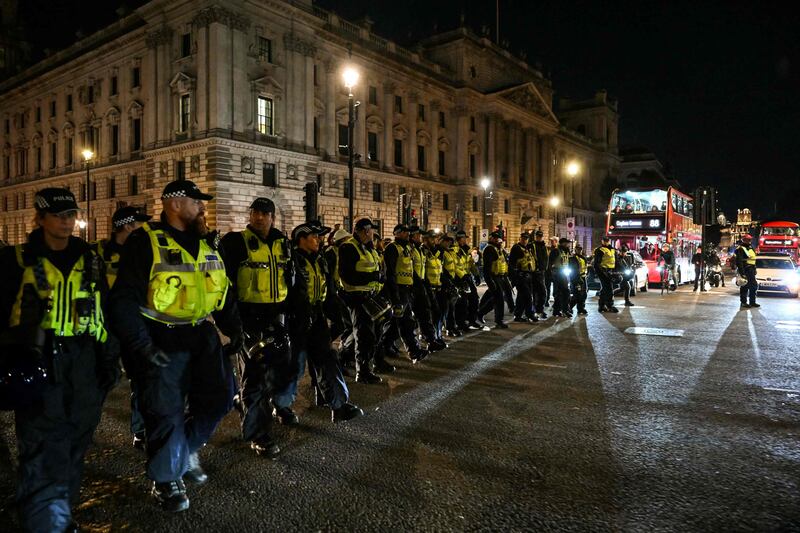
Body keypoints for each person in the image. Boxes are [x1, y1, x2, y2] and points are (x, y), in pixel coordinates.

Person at [108, 180, 242, 512]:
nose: (203, 208)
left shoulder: (209, 244)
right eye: (197, 202)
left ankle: (180, 451)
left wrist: (234, 330)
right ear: (176, 204)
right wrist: (141, 346)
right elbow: (123, 299)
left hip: (201, 334)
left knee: (220, 399)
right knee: (165, 411)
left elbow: (223, 292)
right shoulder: (145, 242)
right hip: (160, 335)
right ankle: (166, 480)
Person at [0, 188, 117, 531]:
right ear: (39, 218)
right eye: (59, 216)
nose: (67, 222)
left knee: (75, 446)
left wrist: (109, 359)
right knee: (42, 447)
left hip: (84, 361)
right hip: (38, 360)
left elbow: (105, 311)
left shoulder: (90, 258)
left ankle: (59, 514)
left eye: (71, 215)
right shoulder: (15, 261)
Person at [219, 197, 298, 460]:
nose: (260, 217)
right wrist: (233, 323)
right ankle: (258, 434)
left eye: (265, 213)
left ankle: (253, 403)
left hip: (276, 317)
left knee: (283, 371)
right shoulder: (235, 242)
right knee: (255, 378)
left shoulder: (282, 244)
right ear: (250, 215)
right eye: (256, 213)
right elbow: (225, 285)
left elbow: (289, 280)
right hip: (248, 317)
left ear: (273, 217)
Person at [286, 220, 364, 422]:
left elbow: (328, 292)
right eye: (314, 236)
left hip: (317, 317)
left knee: (328, 359)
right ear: (301, 239)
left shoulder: (320, 260)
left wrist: (337, 316)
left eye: (320, 236)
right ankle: (281, 406)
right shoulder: (291, 262)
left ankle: (338, 405)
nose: (319, 240)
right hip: (295, 321)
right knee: (293, 367)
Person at [95, 205, 153, 450]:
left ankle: (140, 429)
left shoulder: (142, 252)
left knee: (141, 379)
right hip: (105, 327)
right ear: (128, 225)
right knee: (99, 380)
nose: (143, 227)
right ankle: (86, 424)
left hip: (133, 324)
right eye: (139, 223)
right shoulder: (98, 253)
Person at [338, 217, 385, 384]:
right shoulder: (348, 247)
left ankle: (346, 358)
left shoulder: (368, 248)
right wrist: (372, 276)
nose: (373, 233)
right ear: (366, 230)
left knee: (372, 333)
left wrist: (379, 277)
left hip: (371, 296)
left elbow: (376, 269)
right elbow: (347, 275)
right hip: (357, 298)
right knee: (364, 336)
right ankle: (362, 371)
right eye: (371, 230)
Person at [381, 224, 429, 363]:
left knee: (399, 323)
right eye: (404, 232)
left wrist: (417, 286)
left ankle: (386, 345)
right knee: (405, 322)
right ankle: (413, 350)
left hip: (407, 290)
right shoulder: (392, 248)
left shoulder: (407, 248)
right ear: (397, 233)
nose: (408, 234)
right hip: (399, 290)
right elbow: (390, 273)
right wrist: (395, 297)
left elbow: (410, 270)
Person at [409, 225, 447, 352]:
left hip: (425, 286)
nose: (435, 241)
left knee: (428, 313)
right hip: (411, 288)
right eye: (418, 235)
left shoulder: (420, 250)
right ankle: (387, 346)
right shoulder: (411, 250)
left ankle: (431, 340)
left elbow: (423, 270)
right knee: (404, 321)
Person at [478, 230, 512, 328]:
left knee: (495, 299)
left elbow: (503, 263)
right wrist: (490, 281)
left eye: (498, 238)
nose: (497, 240)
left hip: (501, 277)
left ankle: (480, 313)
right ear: (491, 238)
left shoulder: (498, 249)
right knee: (499, 299)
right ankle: (498, 321)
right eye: (495, 238)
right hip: (494, 277)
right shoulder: (489, 249)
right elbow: (487, 267)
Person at [422, 230, 448, 344]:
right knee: (429, 314)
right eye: (432, 238)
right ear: (425, 239)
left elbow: (439, 271)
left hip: (437, 287)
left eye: (435, 238)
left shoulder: (436, 252)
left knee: (440, 311)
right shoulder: (422, 251)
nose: (434, 241)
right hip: (427, 288)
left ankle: (436, 335)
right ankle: (430, 337)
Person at [454, 230, 481, 329]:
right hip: (459, 279)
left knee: (474, 299)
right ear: (460, 239)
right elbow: (455, 266)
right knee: (462, 302)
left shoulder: (467, 250)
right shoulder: (455, 250)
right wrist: (463, 276)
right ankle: (461, 323)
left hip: (467, 277)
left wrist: (476, 274)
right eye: (464, 238)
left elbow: (471, 264)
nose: (466, 240)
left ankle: (472, 320)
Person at [508, 232, 537, 322]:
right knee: (527, 296)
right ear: (520, 238)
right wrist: (515, 276)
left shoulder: (527, 248)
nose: (525, 240)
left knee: (522, 297)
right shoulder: (516, 248)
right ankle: (529, 314)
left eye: (526, 239)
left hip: (528, 275)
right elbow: (512, 263)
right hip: (521, 276)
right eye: (523, 238)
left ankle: (518, 315)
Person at [438, 233, 462, 337]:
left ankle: (451, 327)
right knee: (444, 308)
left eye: (449, 241)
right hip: (442, 283)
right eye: (446, 241)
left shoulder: (449, 252)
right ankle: (447, 328)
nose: (448, 243)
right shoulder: (440, 252)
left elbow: (454, 266)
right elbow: (441, 269)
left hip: (450, 281)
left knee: (451, 307)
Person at [593, 236, 619, 313]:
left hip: (610, 271)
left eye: (607, 241)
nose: (606, 242)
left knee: (605, 288)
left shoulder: (613, 250)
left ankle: (601, 306)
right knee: (609, 288)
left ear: (609, 241)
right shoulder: (600, 250)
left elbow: (616, 262)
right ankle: (610, 305)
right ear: (602, 241)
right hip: (603, 271)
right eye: (604, 241)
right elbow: (596, 263)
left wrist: (617, 271)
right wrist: (602, 272)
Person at [550, 238, 573, 317]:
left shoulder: (566, 251)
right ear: (562, 243)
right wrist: (552, 272)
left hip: (564, 273)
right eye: (566, 243)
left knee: (560, 293)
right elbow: (550, 262)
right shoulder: (556, 251)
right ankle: (565, 310)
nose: (568, 245)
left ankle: (556, 310)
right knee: (565, 292)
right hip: (558, 272)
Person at [735, 235, 760, 308]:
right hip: (746, 269)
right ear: (743, 240)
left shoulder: (750, 247)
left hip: (751, 269)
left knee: (754, 286)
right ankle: (743, 302)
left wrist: (754, 269)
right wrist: (742, 273)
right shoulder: (741, 248)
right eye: (747, 240)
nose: (749, 241)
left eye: (750, 240)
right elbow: (739, 262)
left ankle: (752, 302)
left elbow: (753, 260)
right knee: (745, 286)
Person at [529, 230, 549, 319]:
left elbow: (545, 259)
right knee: (533, 293)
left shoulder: (544, 246)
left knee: (542, 292)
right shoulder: (531, 245)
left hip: (541, 272)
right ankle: (533, 311)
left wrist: (544, 269)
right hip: (533, 273)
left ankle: (539, 310)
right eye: (537, 236)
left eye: (540, 236)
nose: (539, 238)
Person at [570, 244, 589, 315]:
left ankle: (581, 308)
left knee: (584, 294)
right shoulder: (573, 258)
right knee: (577, 294)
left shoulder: (583, 258)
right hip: (577, 278)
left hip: (583, 277)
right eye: (578, 249)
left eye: (580, 249)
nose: (579, 250)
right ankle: (569, 307)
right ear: (575, 250)